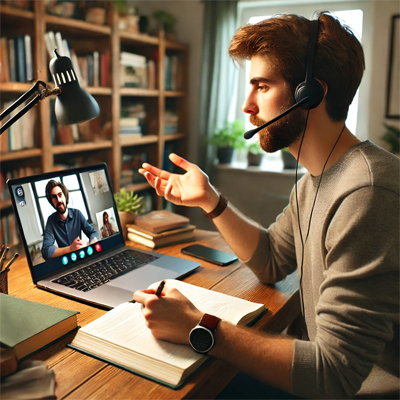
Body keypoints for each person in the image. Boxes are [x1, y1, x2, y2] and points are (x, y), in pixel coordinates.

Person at [133, 12, 399, 399]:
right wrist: (210, 200)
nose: (246, 105)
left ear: (310, 94)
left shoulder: (368, 193)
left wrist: (199, 325)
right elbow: (272, 259)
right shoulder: (317, 178)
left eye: (261, 86)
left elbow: (334, 374)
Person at [42, 180, 99, 260]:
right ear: (51, 202)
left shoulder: (77, 214)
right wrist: (70, 249)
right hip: (65, 262)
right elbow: (46, 250)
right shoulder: (51, 221)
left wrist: (91, 245)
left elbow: (93, 232)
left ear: (65, 196)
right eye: (54, 197)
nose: (58, 200)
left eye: (60, 195)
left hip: (81, 257)